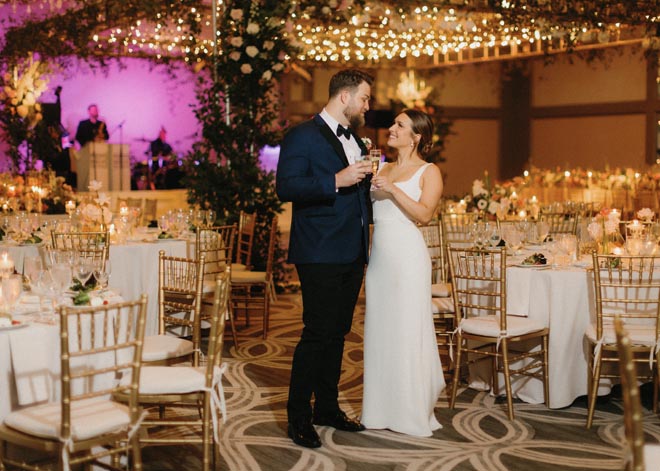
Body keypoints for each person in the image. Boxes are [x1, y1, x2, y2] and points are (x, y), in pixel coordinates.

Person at [276, 69, 374, 449]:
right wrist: (336, 179)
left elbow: (358, 193)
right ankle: (298, 415)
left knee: (338, 332)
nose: (368, 106)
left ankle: (327, 407)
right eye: (365, 98)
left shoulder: (359, 142)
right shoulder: (301, 135)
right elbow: (287, 186)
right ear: (345, 97)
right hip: (318, 249)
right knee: (316, 332)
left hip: (352, 249)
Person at [361, 108, 445, 437]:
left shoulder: (429, 171)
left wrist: (393, 190)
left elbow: (424, 215)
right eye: (394, 123)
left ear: (416, 136)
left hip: (409, 260)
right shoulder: (382, 166)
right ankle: (379, 410)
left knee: (408, 331)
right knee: (381, 332)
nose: (391, 129)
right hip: (380, 260)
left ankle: (410, 411)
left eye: (400, 125)